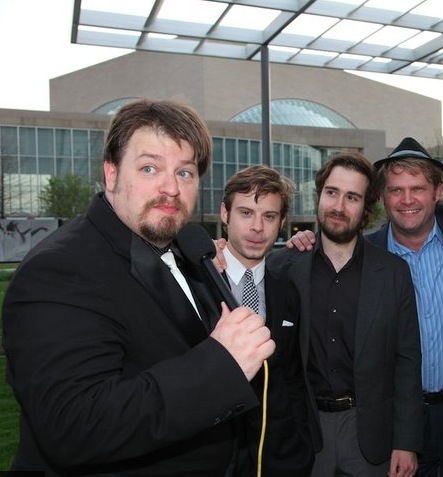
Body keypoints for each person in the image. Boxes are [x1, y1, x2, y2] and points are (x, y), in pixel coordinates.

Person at [2, 99, 274, 476]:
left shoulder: (185, 249)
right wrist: (221, 365)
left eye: (185, 173)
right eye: (149, 168)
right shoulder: (61, 269)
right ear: (111, 174)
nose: (170, 188)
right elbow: (75, 425)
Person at [287, 138, 443, 477]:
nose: (408, 199)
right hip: (392, 421)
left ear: (438, 192)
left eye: (418, 188)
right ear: (382, 198)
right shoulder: (363, 255)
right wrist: (303, 242)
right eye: (396, 190)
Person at [269, 152, 423, 477]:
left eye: (352, 197)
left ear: (366, 208)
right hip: (306, 429)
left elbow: (407, 362)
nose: (339, 206)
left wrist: (406, 442)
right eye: (332, 192)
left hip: (370, 432)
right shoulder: (283, 267)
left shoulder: (394, 273)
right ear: (319, 195)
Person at [220, 166, 313, 476]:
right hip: (214, 455)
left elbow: (293, 375)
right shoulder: (198, 283)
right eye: (246, 213)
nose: (257, 227)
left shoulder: (287, 290)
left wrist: (299, 440)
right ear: (225, 213)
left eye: (269, 216)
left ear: (282, 222)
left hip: (280, 457)